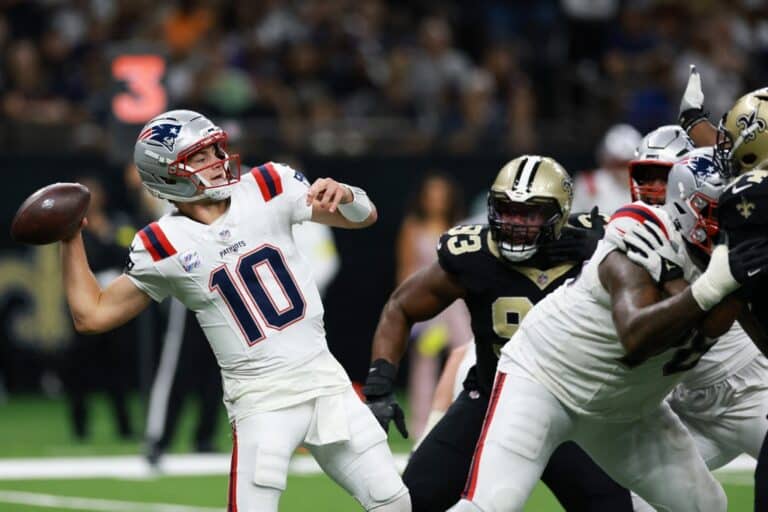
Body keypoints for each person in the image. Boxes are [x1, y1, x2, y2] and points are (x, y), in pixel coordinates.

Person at [60, 109, 410, 512]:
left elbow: (365, 216)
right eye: (200, 156)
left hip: (325, 380)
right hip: (260, 400)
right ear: (166, 174)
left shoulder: (267, 184)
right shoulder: (163, 243)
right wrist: (70, 239)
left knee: (395, 502)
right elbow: (92, 315)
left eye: (216, 149)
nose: (217, 161)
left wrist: (345, 194)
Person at [449, 153, 768, 511]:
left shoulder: (733, 261)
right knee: (492, 505)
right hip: (545, 378)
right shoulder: (646, 231)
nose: (732, 226)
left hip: (628, 408)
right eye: (719, 213)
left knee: (705, 506)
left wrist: (746, 289)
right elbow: (635, 336)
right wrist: (709, 289)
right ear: (687, 207)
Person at [364, 155, 633, 511]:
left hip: (572, 411)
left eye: (530, 213)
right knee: (412, 501)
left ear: (560, 213)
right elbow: (401, 306)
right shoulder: (475, 255)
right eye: (507, 210)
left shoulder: (599, 245)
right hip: (489, 402)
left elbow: (665, 289)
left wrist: (606, 257)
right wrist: (380, 385)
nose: (515, 223)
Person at [395, 173, 472, 439]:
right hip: (429, 302)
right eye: (432, 194)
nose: (437, 200)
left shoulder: (461, 227)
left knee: (467, 357)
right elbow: (406, 270)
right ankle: (422, 428)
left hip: (458, 304)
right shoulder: (412, 227)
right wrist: (408, 309)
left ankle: (468, 421)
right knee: (424, 365)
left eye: (442, 194)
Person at [571, 123, 642, 213]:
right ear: (605, 161)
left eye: (628, 165)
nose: (624, 171)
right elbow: (571, 220)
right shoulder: (589, 185)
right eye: (618, 165)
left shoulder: (647, 189)